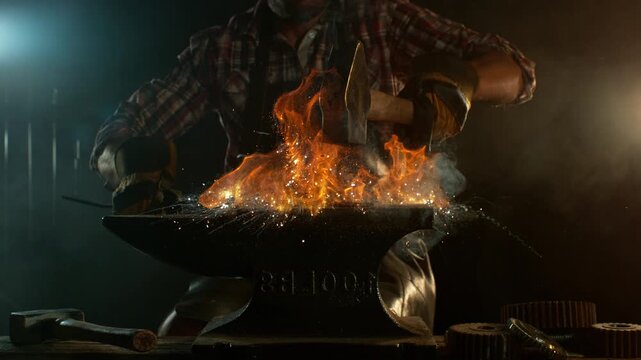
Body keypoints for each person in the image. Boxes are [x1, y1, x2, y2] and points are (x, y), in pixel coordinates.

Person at [91, 0, 536, 336]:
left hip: (379, 243)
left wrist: (457, 87)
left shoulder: (380, 19)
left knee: (392, 342)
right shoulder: (222, 47)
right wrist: (126, 162)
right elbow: (125, 126)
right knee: (179, 339)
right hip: (254, 246)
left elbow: (517, 72)